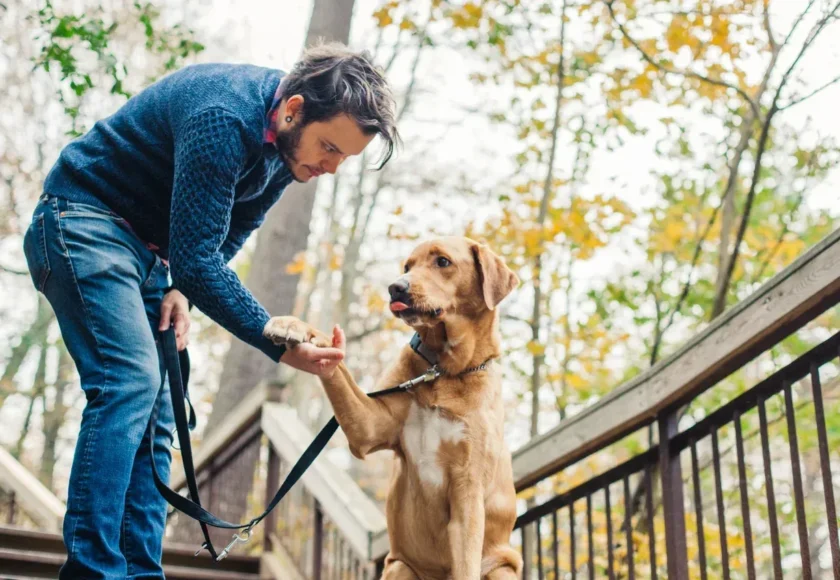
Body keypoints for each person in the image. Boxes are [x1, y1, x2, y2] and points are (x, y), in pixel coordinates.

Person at [22, 42, 398, 579]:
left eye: (344, 158)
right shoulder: (224, 117)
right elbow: (198, 259)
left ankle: (139, 572)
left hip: (150, 256)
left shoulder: (287, 148)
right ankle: (93, 572)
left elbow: (230, 229)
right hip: (82, 220)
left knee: (156, 417)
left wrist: (183, 290)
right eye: (329, 148)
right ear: (292, 110)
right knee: (129, 381)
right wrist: (271, 337)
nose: (332, 167)